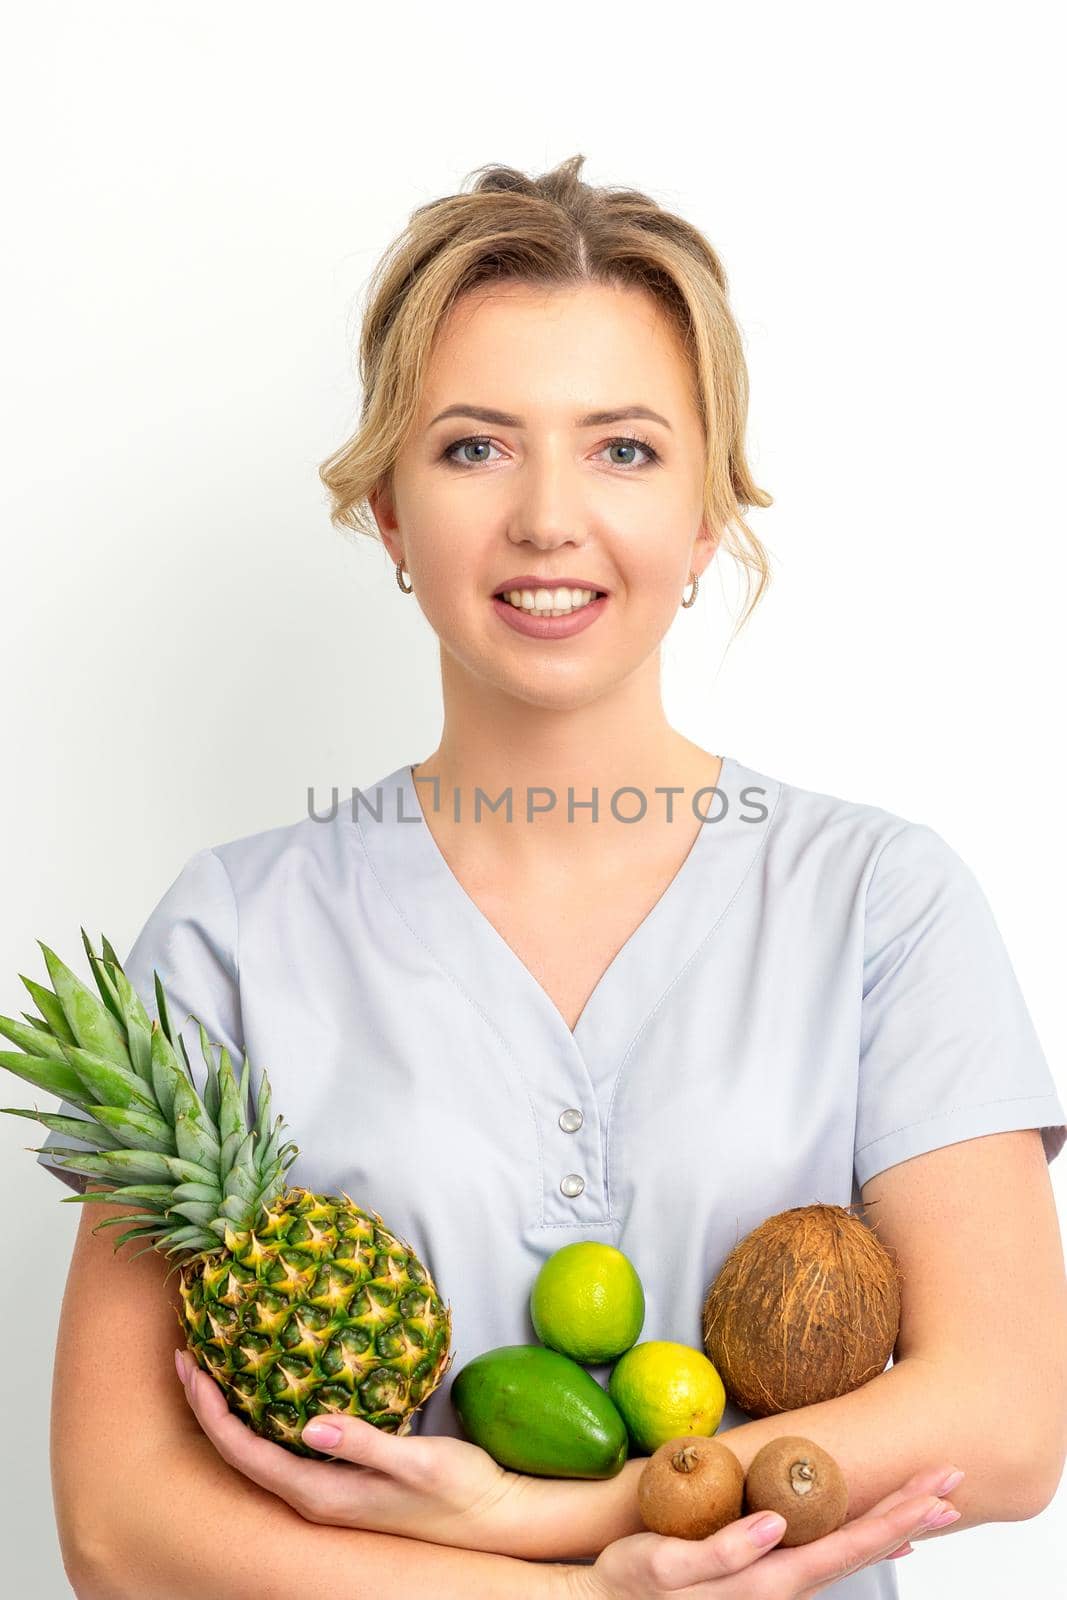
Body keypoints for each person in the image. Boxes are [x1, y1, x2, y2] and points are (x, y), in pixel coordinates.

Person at [35, 155, 1067, 1599]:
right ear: (390, 512)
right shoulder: (227, 938)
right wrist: (582, 1595)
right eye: (473, 447)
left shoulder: (881, 903)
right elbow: (117, 1526)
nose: (546, 519)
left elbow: (1010, 1424)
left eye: (624, 449)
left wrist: (525, 1521)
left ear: (708, 513)